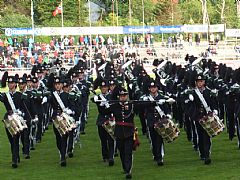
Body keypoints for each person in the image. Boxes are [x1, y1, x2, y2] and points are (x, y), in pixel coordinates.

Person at [188, 74, 218, 165]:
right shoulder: (193, 93)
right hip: (198, 117)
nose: (199, 83)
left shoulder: (209, 92)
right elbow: (190, 106)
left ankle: (207, 154)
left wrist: (215, 110)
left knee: (207, 135)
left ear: (204, 82)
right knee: (200, 135)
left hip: (207, 116)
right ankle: (202, 153)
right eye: (198, 81)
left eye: (201, 81)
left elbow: (213, 103)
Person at [0, 75, 24, 168]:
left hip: (17, 118)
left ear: (15, 84)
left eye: (12, 83)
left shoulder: (20, 95)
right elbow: (1, 99)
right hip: (8, 118)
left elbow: (23, 107)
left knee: (15, 138)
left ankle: (14, 160)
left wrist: (21, 113)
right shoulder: (6, 95)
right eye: (9, 83)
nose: (10, 85)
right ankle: (16, 155)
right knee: (11, 140)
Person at [91, 79, 115, 166]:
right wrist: (96, 100)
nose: (104, 89)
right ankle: (105, 156)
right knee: (103, 140)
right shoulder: (98, 97)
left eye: (105, 87)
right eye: (102, 88)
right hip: (101, 119)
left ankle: (111, 156)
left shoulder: (112, 96)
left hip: (110, 119)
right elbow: (92, 99)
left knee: (111, 139)